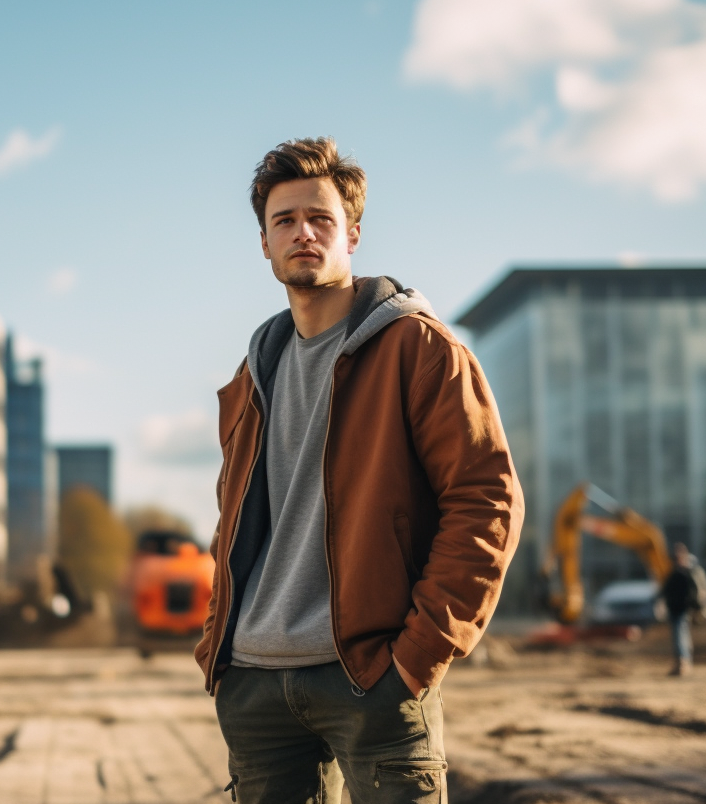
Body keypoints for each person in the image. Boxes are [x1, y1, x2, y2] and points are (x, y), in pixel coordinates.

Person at [195, 137, 522, 803]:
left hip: (372, 676)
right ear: (264, 243)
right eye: (284, 221)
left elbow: (487, 502)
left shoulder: (419, 348)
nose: (303, 233)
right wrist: (219, 650)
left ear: (353, 234)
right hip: (256, 685)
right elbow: (233, 522)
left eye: (321, 218)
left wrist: (416, 656)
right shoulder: (251, 378)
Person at [660, 542, 701, 676]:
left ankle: (683, 664)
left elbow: (694, 593)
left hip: (681, 609)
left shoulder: (686, 573)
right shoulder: (674, 573)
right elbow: (665, 591)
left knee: (680, 637)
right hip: (674, 609)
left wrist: (695, 608)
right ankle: (682, 663)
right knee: (680, 636)